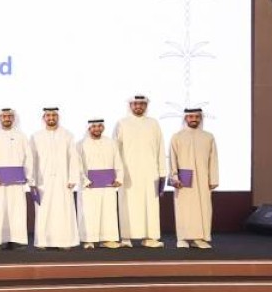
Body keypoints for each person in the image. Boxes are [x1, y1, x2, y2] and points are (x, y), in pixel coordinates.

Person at [114, 94, 167, 248]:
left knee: (150, 205)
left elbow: (160, 148)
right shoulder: (122, 123)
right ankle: (126, 238)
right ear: (130, 105)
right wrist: (117, 173)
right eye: (135, 104)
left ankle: (150, 238)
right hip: (128, 173)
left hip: (150, 172)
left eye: (142, 104)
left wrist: (162, 172)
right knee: (127, 204)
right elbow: (115, 150)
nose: (138, 106)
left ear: (146, 106)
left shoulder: (153, 123)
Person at [30, 107, 81, 249]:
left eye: (54, 115)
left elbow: (73, 157)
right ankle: (43, 242)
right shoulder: (36, 136)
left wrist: (73, 178)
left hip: (63, 180)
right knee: (43, 211)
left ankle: (64, 242)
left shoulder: (67, 135)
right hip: (42, 180)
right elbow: (31, 159)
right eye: (48, 115)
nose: (51, 118)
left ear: (58, 117)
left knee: (63, 210)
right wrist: (32, 180)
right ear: (43, 118)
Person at [169, 108, 219, 249]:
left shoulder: (208, 137)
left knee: (203, 209)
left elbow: (213, 159)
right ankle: (182, 238)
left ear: (200, 118)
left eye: (197, 117)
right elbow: (172, 159)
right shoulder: (177, 137)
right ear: (186, 118)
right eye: (191, 117)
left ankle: (199, 238)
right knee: (184, 209)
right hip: (183, 180)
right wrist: (174, 177)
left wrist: (213, 179)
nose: (194, 119)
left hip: (203, 179)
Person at [0, 108, 32, 248]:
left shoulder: (21, 136)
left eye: (9, 116)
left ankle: (18, 239)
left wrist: (27, 175)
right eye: (4, 116)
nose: (7, 118)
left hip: (17, 181)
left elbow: (29, 157)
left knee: (17, 209)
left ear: (13, 118)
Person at [78, 119, 124, 249]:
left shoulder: (111, 143)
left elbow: (118, 161)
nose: (97, 129)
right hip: (89, 187)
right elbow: (77, 165)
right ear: (88, 128)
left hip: (108, 185)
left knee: (108, 212)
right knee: (89, 213)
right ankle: (89, 240)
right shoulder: (80, 144)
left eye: (99, 126)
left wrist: (119, 178)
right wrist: (84, 180)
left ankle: (108, 239)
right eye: (94, 126)